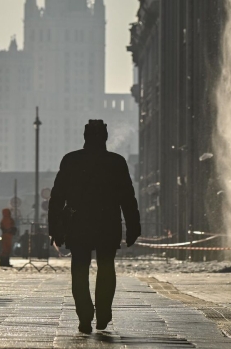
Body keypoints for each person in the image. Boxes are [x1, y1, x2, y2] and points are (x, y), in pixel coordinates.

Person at [48, 119, 141, 333]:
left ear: (85, 137)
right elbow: (128, 197)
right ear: (105, 138)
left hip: (78, 223)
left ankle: (85, 315)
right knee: (106, 267)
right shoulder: (116, 162)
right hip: (107, 223)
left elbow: (57, 197)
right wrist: (133, 225)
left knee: (79, 269)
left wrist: (55, 228)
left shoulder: (71, 160)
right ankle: (103, 313)